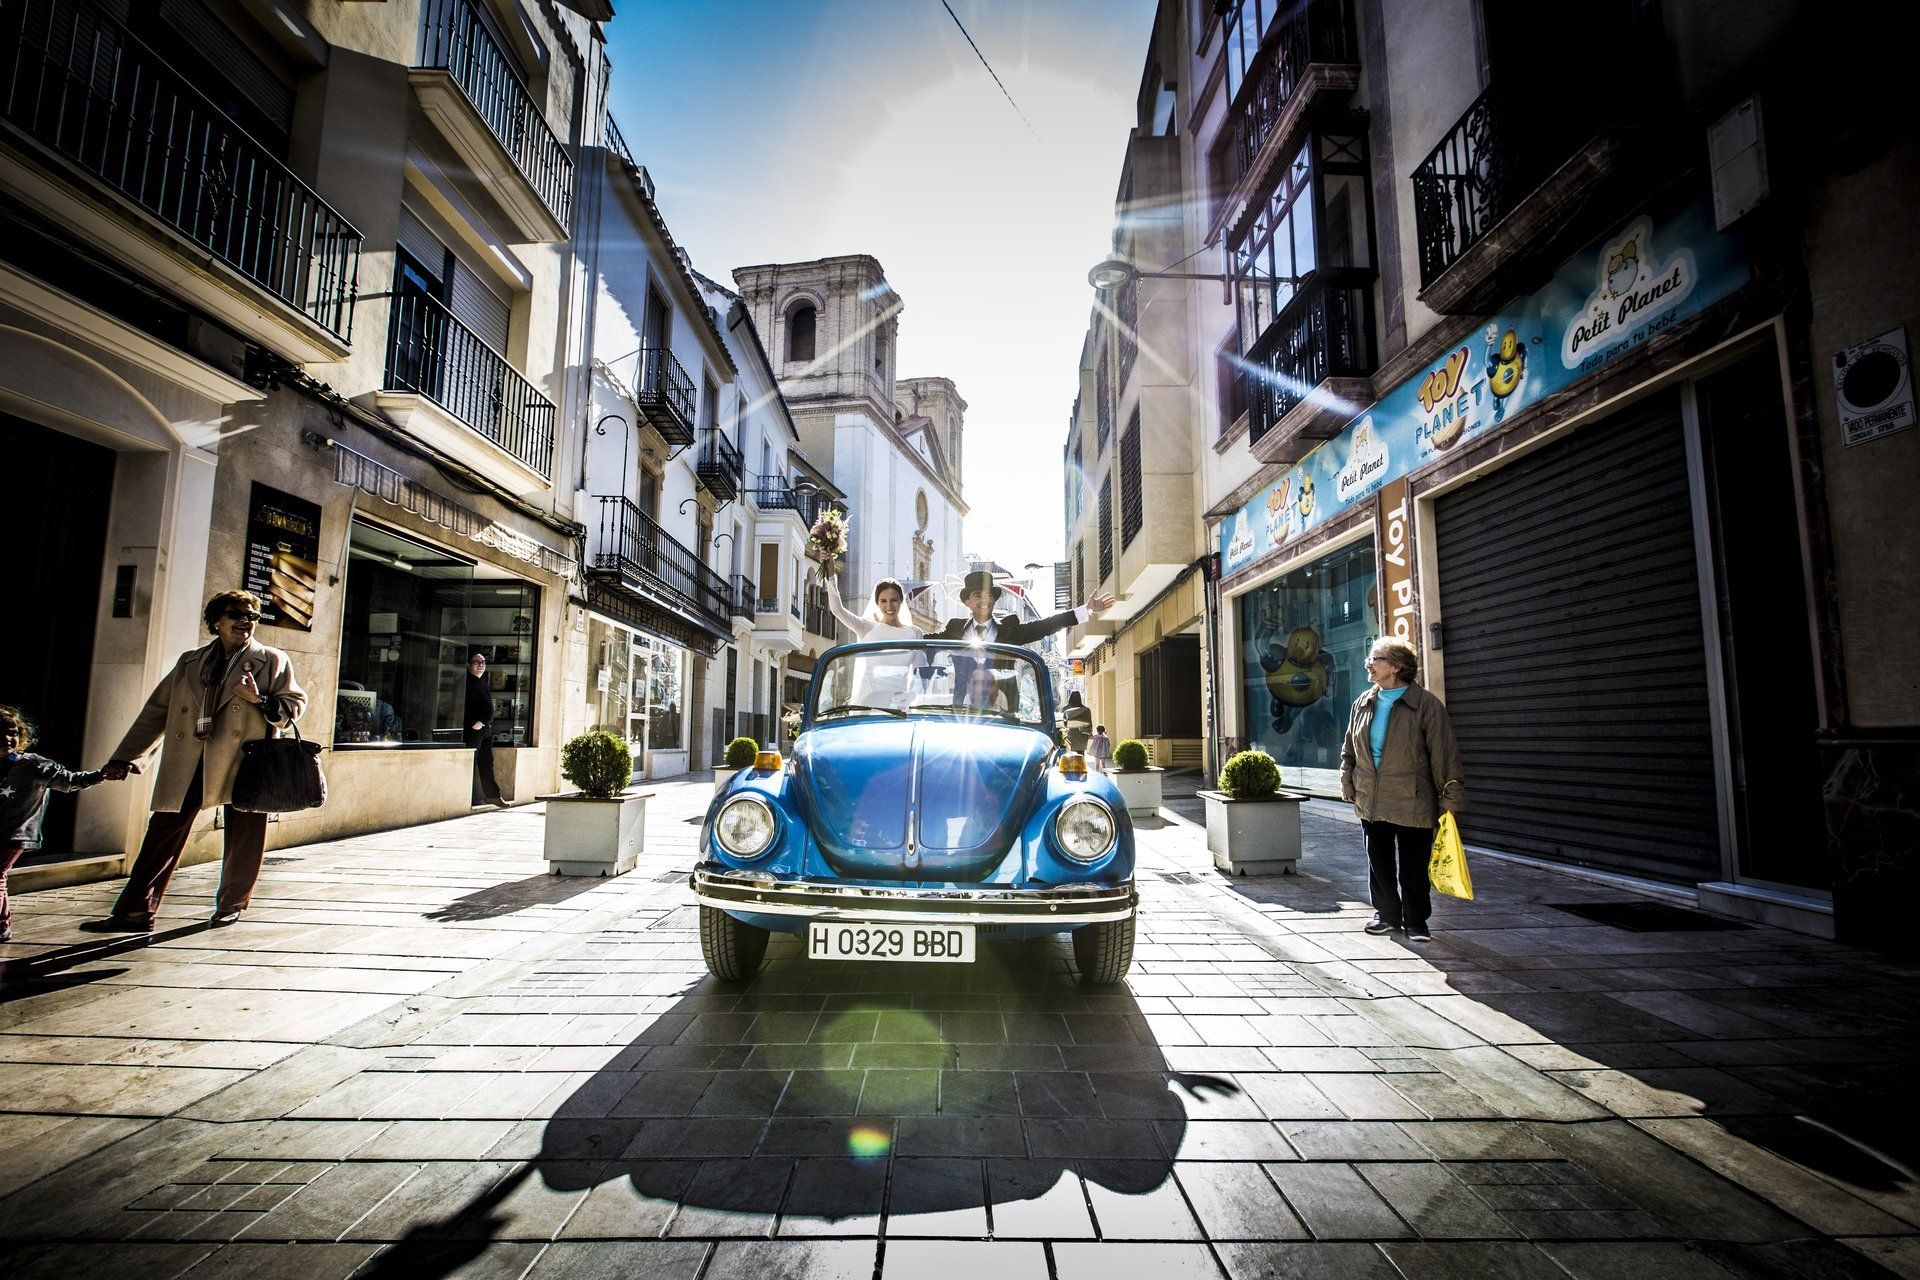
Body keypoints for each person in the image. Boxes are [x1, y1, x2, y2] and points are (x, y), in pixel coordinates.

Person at [83, 590, 308, 932]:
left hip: (244, 761)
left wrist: (259, 699)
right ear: (216, 620)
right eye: (236, 614)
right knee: (161, 832)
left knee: (245, 835)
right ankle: (135, 912)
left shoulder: (272, 660)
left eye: (252, 616)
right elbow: (156, 712)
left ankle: (231, 904)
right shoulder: (190, 661)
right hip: (191, 758)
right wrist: (127, 756)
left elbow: (293, 705)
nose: (245, 621)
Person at [1340, 636, 1464, 943]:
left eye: (1375, 659)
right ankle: (1386, 915)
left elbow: (1444, 753)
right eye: (1369, 658)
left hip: (1413, 798)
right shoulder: (1363, 702)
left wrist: (1451, 795)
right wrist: (1347, 782)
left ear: (1396, 667)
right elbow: (1349, 750)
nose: (1368, 663)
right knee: (1378, 863)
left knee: (1413, 866)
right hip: (1371, 797)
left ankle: (1417, 921)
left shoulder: (1425, 705)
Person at [2, 705, 114, 942]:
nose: (8, 738)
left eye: (13, 733)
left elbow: (70, 781)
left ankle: (2, 926)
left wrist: (100, 775)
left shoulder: (34, 765)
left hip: (13, 835)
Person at [927, 570, 1116, 646]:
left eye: (989, 595)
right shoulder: (955, 629)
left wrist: (1087, 609)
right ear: (967, 602)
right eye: (978, 595)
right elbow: (925, 641)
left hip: (1004, 711)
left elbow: (1048, 625)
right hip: (964, 711)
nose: (985, 600)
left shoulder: (1011, 628)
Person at [825, 575, 920, 642]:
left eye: (894, 600)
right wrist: (830, 575)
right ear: (877, 603)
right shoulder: (867, 627)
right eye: (883, 601)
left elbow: (918, 667)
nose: (889, 606)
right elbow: (837, 610)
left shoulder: (915, 633)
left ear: (901, 601)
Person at [465, 652, 504, 807]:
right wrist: (475, 722)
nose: (480, 665)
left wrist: (486, 722)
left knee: (486, 762)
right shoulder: (466, 683)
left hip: (485, 730)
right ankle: (465, 796)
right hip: (475, 729)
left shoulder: (482, 682)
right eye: (476, 662)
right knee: (471, 762)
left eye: (483, 662)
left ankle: (493, 795)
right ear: (468, 665)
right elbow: (462, 706)